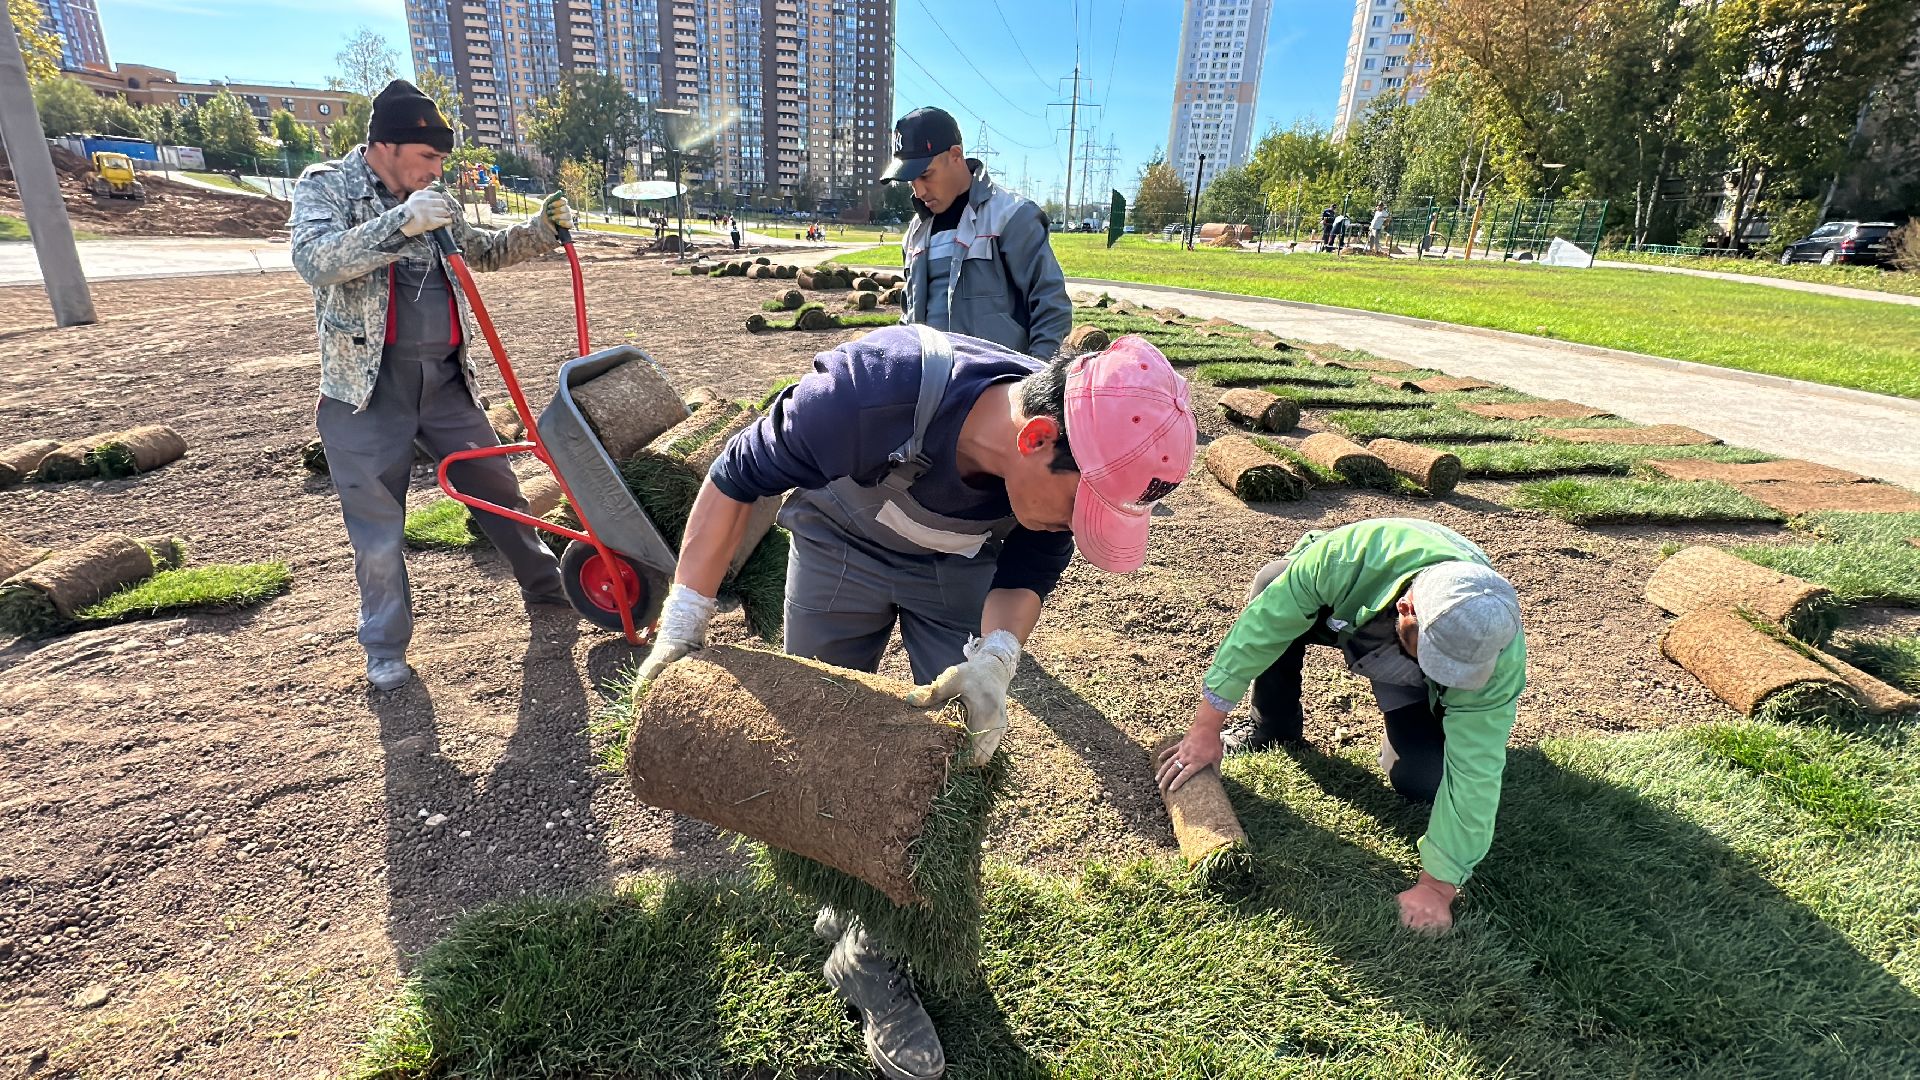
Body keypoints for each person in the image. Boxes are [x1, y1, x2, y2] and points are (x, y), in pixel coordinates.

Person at [636, 323, 1197, 1079]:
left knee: (951, 766)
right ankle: (835, 884)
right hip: (840, 545)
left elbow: (1034, 559)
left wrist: (996, 660)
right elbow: (737, 477)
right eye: (1078, 507)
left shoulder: (1061, 460)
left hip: (960, 570)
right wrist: (682, 620)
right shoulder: (866, 394)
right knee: (812, 741)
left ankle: (873, 961)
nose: (1072, 524)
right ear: (1034, 440)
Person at [289, 79, 577, 691]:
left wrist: (543, 229)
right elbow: (316, 261)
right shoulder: (327, 184)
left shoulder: (434, 196)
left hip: (445, 385)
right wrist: (400, 225)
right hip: (367, 391)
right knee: (377, 527)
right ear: (385, 146)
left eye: (442, 159)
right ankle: (385, 647)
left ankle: (551, 585)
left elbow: (486, 251)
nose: (437, 168)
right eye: (428, 157)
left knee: (500, 491)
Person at [1156, 518, 1525, 934]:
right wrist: (1205, 728)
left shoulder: (1494, 649)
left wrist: (1438, 888)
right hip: (1342, 606)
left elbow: (1475, 771)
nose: (1443, 671)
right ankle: (1273, 725)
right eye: (1436, 660)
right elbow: (1260, 631)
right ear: (1406, 609)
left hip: (1403, 647)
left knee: (1426, 780)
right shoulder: (1344, 559)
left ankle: (1408, 732)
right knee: (1272, 582)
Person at [881, 107, 1071, 361]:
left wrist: (1034, 384)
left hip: (1002, 391)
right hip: (932, 391)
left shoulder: (1012, 217)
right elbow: (909, 317)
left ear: (956, 155)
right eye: (910, 180)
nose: (919, 191)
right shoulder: (915, 233)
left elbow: (1051, 308)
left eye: (925, 174)